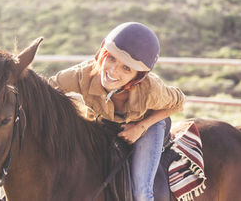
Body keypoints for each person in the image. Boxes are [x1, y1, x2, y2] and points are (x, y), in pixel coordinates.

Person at [49, 22, 185, 201]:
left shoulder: (151, 90)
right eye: (111, 58)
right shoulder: (83, 75)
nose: (112, 70)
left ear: (138, 76)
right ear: (102, 54)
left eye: (126, 68)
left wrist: (140, 127)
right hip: (105, 123)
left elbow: (179, 103)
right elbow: (46, 89)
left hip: (147, 124)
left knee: (141, 191)